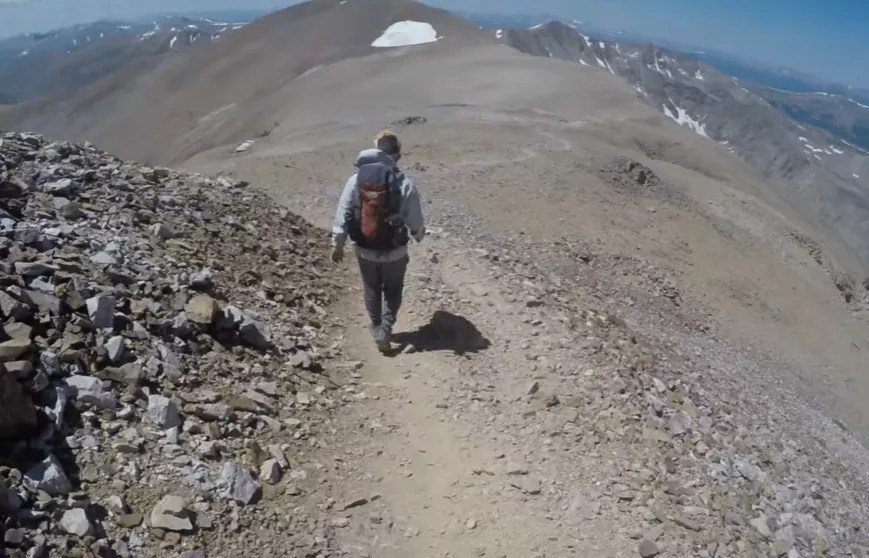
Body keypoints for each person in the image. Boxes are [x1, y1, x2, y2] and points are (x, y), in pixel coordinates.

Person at [331, 130, 425, 352]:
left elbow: (343, 211)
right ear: (397, 156)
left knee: (371, 288)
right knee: (393, 289)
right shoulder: (404, 182)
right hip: (395, 250)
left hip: (365, 248)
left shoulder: (356, 180)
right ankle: (386, 329)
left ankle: (376, 327)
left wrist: (338, 243)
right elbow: (414, 217)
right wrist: (418, 234)